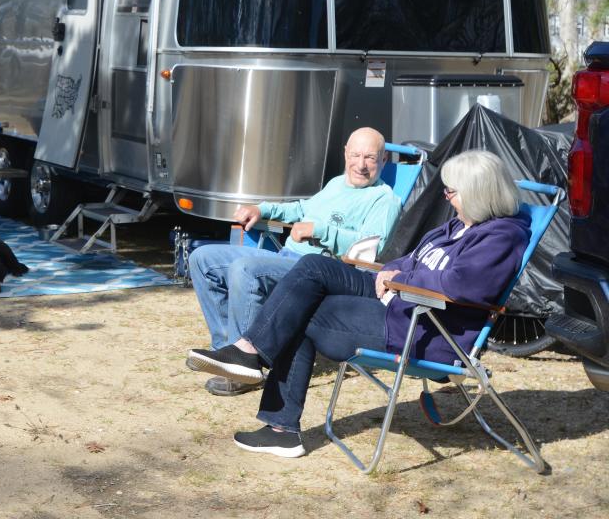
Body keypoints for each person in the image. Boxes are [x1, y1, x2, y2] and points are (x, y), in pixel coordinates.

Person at [186, 150, 529, 459]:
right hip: (397, 299)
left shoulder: (501, 236)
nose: (446, 197)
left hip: (422, 328)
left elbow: (461, 284)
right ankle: (249, 351)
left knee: (301, 313)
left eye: (451, 192)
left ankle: (279, 426)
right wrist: (394, 271)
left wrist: (401, 280)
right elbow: (412, 259)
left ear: (478, 195)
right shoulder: (457, 225)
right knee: (312, 269)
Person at [188, 127, 400, 396]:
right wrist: (261, 208)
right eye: (356, 154)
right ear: (345, 152)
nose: (361, 165)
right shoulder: (337, 184)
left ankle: (248, 364)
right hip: (284, 258)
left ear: (383, 160)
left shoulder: (385, 200)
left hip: (317, 272)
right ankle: (225, 352)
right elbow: (300, 209)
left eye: (370, 158)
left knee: (246, 269)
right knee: (202, 258)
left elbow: (371, 247)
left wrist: (321, 230)